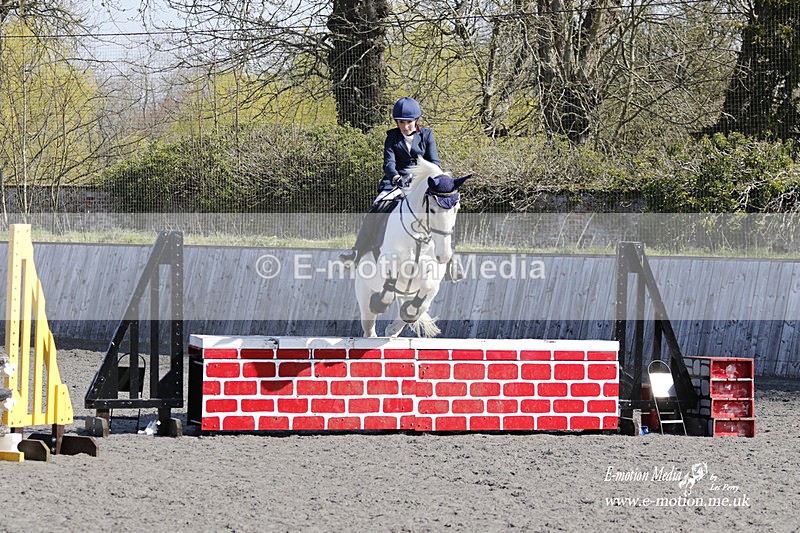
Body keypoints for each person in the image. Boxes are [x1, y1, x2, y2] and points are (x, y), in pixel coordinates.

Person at [339, 97, 465, 281]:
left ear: (416, 121)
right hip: (396, 183)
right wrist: (396, 177)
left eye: (409, 122)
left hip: (421, 184)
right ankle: (357, 252)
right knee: (376, 209)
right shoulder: (392, 137)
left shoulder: (427, 135)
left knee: (445, 211)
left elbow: (434, 163)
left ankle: (452, 259)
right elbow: (389, 163)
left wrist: (423, 180)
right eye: (402, 122)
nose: (406, 126)